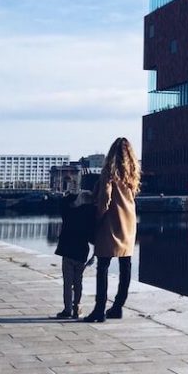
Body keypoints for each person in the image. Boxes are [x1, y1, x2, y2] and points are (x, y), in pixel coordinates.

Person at [84, 137, 140, 323]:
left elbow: (105, 199)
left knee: (103, 266)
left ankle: (99, 309)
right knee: (126, 265)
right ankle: (117, 307)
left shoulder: (109, 173)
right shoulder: (132, 174)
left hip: (111, 222)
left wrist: (97, 217)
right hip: (129, 223)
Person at [53, 189, 94, 319]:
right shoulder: (89, 214)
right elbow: (93, 237)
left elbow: (63, 201)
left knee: (67, 282)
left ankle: (67, 309)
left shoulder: (69, 212)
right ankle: (77, 307)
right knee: (78, 282)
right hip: (81, 252)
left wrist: (76, 195)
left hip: (67, 250)